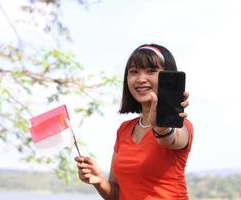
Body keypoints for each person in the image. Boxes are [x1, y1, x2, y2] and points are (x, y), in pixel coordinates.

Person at [75, 44, 194, 200]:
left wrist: (161, 127)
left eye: (151, 71)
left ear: (168, 77)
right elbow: (117, 194)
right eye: (134, 72)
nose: (140, 79)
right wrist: (99, 181)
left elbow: (171, 139)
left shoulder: (180, 125)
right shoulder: (124, 129)